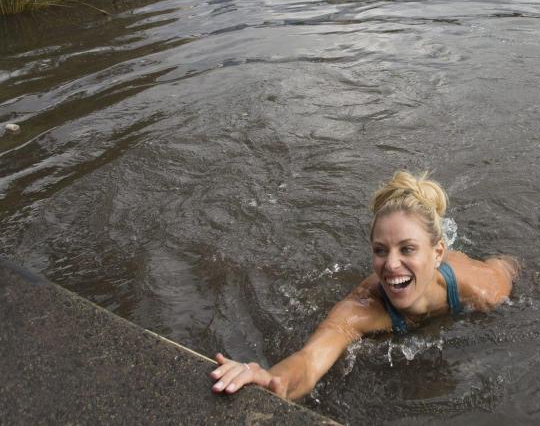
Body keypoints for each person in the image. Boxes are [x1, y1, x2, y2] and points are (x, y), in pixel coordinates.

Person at [209, 170, 519, 400]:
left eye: (407, 249)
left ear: (437, 252)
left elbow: (512, 266)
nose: (391, 264)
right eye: (381, 250)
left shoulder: (482, 289)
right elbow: (309, 362)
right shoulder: (359, 309)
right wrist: (270, 379)